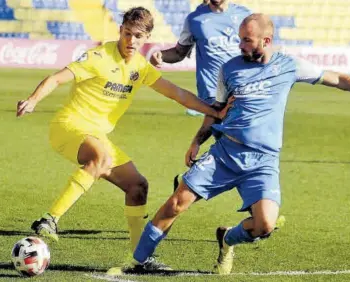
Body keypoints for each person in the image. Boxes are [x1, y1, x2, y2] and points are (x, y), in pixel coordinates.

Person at [130, 13, 350, 274]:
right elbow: (216, 109)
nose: (240, 46)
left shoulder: (290, 65)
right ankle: (137, 262)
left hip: (262, 163)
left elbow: (340, 80)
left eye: (246, 40)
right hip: (225, 154)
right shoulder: (229, 69)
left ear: (266, 40)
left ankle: (228, 238)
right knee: (176, 203)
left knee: (264, 225)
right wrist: (197, 141)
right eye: (240, 39)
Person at [16, 6, 230, 271]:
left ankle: (138, 258)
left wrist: (214, 111)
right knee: (100, 156)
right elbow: (58, 78)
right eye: (127, 33)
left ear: (146, 37)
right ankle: (49, 219)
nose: (131, 41)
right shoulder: (98, 56)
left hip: (97, 135)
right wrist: (34, 100)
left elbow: (177, 94)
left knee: (138, 186)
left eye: (138, 36)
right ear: (120, 31)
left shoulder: (140, 67)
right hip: (68, 127)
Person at [150, 0, 252, 116]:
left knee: (238, 132)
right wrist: (161, 55)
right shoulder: (194, 19)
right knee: (221, 131)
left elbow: (257, 49)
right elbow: (179, 52)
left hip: (241, 89)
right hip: (211, 94)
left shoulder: (245, 15)